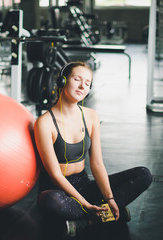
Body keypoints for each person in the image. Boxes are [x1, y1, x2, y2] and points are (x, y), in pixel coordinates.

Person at [34, 61, 152, 238]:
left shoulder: (90, 116)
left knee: (144, 174)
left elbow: (96, 163)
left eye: (88, 83)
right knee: (51, 202)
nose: (83, 86)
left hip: (84, 184)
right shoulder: (44, 123)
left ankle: (89, 220)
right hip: (58, 190)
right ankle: (105, 215)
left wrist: (110, 198)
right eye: (77, 79)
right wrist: (85, 205)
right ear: (62, 81)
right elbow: (55, 175)